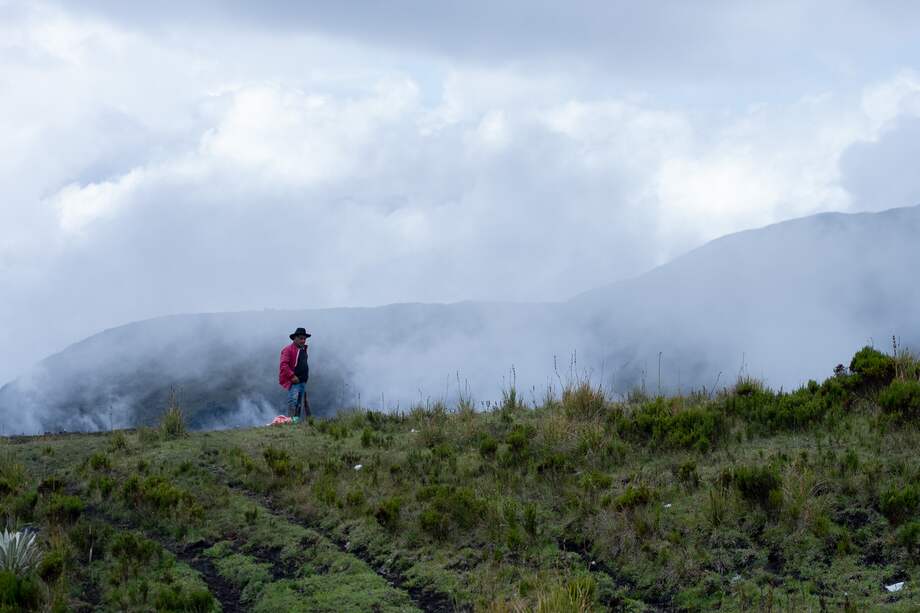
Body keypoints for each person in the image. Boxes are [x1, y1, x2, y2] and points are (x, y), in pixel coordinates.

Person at [279, 327, 312, 419]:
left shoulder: (303, 349)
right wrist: (292, 376)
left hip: (302, 381)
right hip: (294, 382)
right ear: (295, 338)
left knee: (298, 404)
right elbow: (283, 365)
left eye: (304, 338)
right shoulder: (288, 350)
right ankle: (291, 423)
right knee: (293, 403)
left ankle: (295, 423)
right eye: (301, 338)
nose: (303, 340)